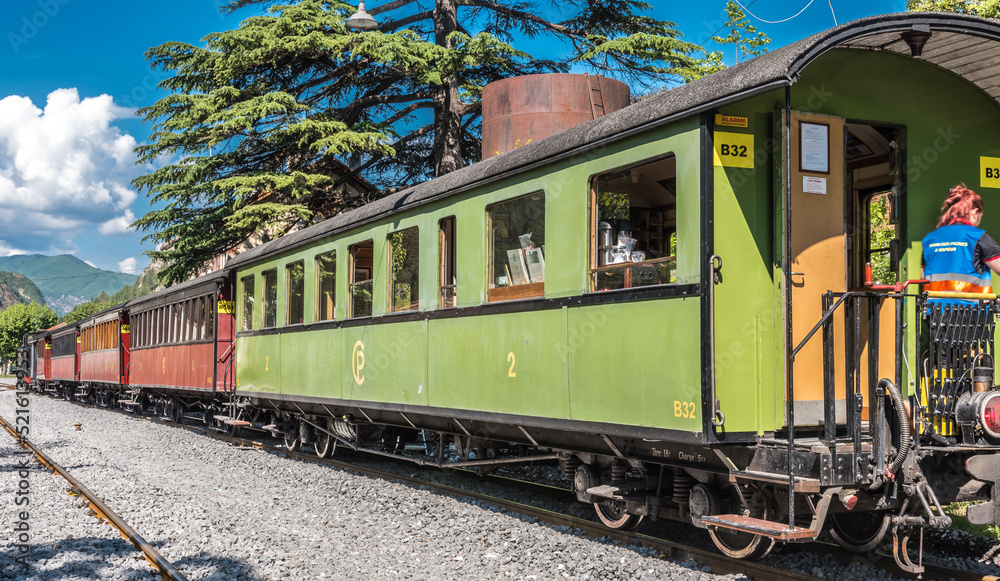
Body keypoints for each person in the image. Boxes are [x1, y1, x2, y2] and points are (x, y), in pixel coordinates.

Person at [922, 184, 1000, 303]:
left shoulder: (929, 239)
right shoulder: (977, 237)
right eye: (980, 215)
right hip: (971, 315)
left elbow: (923, 278)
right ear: (974, 211)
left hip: (935, 314)